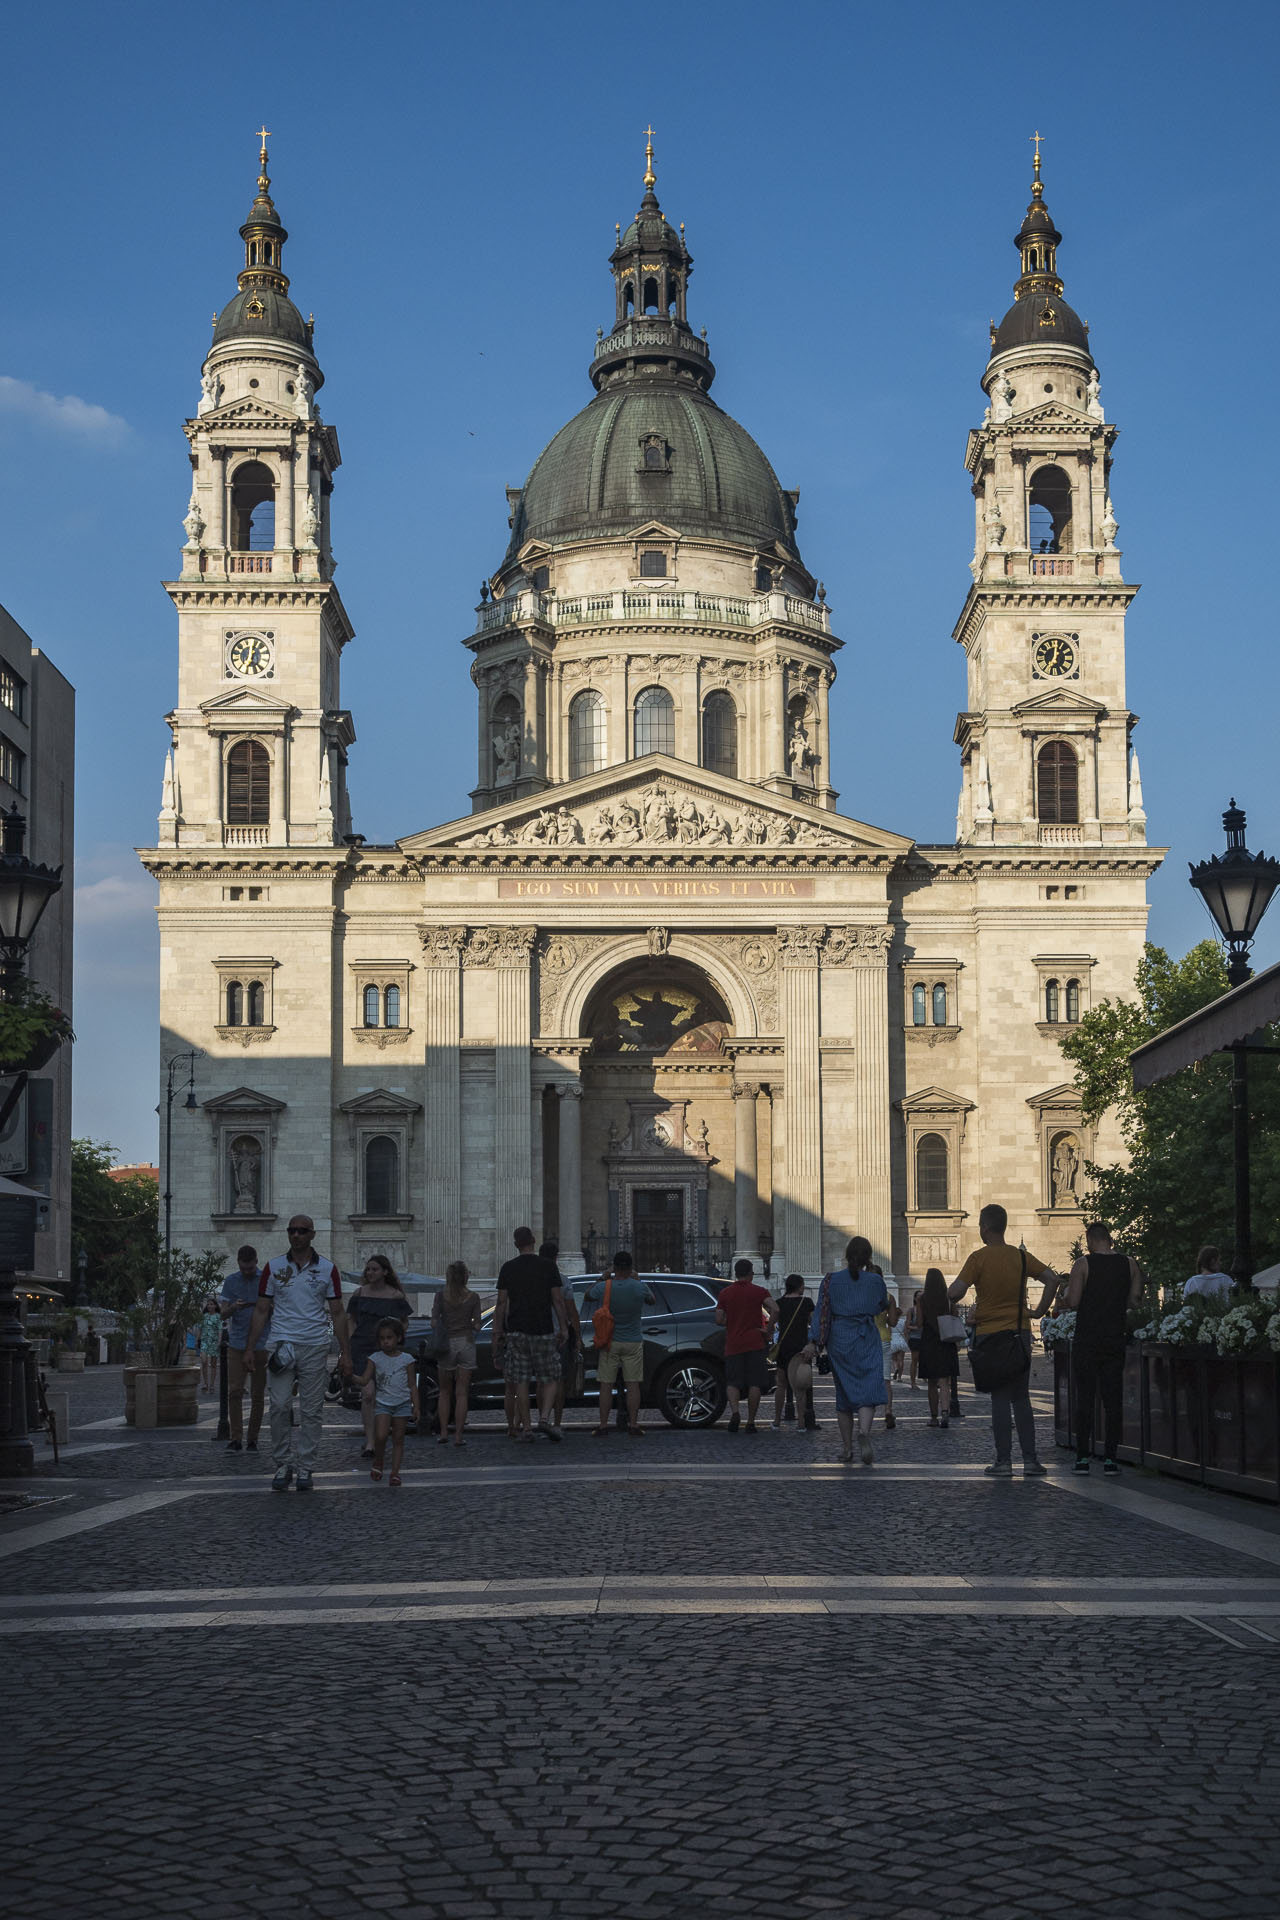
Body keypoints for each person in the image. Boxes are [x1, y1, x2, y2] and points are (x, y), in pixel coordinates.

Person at [242, 1214, 352, 1492]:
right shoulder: (273, 1266)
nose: (297, 1235)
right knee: (279, 1407)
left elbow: (338, 1312)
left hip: (314, 1345)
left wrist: (346, 1352)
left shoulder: (328, 1268)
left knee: (312, 1410)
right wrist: (249, 1347)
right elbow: (261, 1309)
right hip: (281, 1345)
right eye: (292, 1231)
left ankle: (305, 1466)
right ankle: (282, 1462)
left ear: (312, 1235)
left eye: (302, 1231)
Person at [948, 1204, 1059, 1478]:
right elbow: (1053, 1279)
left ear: (984, 1227)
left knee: (999, 1398)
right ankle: (1031, 1461)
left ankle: (1004, 1461)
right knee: (1021, 1398)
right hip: (1019, 1334)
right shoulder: (1021, 1257)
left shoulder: (978, 1258)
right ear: (1004, 1226)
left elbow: (955, 1293)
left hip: (990, 1336)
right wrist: (1039, 1311)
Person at [1065, 1223, 1144, 1476]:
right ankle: (1111, 1458)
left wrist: (1066, 1293)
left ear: (1090, 1240)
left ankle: (1082, 1458)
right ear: (1110, 1239)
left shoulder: (1083, 1264)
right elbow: (1134, 1300)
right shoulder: (1129, 1263)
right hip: (1114, 1338)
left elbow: (1074, 1301)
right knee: (1113, 1400)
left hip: (1087, 1339)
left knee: (1085, 1399)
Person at [801, 1236, 887, 1465]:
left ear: (847, 1255)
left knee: (844, 1393)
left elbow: (821, 1312)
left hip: (840, 1339)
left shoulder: (830, 1280)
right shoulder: (875, 1280)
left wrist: (814, 1341)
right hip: (867, 1336)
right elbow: (881, 1305)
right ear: (869, 1257)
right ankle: (865, 1433)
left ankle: (847, 1448)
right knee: (868, 1387)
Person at [491, 1226, 567, 1443]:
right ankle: (544, 1418)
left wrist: (497, 1331)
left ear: (516, 1244)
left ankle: (526, 1429)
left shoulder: (508, 1268)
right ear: (533, 1241)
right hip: (542, 1329)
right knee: (551, 1377)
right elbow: (558, 1300)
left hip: (517, 1331)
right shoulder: (547, 1267)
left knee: (521, 1381)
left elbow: (501, 1303)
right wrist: (562, 1327)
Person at [346, 1256, 412, 1458]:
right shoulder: (359, 1293)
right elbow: (351, 1319)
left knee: (386, 1394)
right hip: (363, 1348)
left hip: (386, 1350)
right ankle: (370, 1442)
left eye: (374, 1269)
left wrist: (395, 1339)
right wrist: (350, 1343)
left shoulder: (395, 1296)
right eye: (368, 1270)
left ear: (385, 1272)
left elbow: (404, 1322)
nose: (370, 1273)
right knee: (367, 1394)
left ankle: (383, 1434)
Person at [584, 1250, 655, 1437]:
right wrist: (637, 1279)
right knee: (633, 1385)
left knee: (606, 1384)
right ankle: (633, 1424)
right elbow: (652, 1299)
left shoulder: (606, 1286)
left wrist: (602, 1277)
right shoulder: (639, 1286)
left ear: (614, 1268)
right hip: (632, 1341)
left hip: (610, 1342)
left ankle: (603, 1425)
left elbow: (588, 1295)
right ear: (631, 1268)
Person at [352, 1317, 420, 1486]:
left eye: (389, 1338)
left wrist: (416, 1406)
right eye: (382, 1338)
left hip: (402, 1403)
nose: (386, 1342)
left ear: (398, 1338)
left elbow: (412, 1384)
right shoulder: (375, 1358)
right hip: (383, 1403)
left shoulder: (407, 1359)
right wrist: (350, 1376)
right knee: (381, 1435)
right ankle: (379, 1459)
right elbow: (365, 1379)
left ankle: (395, 1473)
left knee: (398, 1439)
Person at [716, 1257, 777, 1433]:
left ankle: (735, 1412)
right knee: (754, 1383)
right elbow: (776, 1309)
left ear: (736, 1273)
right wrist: (769, 1329)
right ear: (751, 1274)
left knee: (733, 1382)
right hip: (755, 1343)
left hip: (734, 1343)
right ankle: (751, 1422)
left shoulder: (725, 1293)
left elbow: (718, 1319)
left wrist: (731, 1321)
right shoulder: (759, 1291)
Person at [218, 1244, 266, 1451]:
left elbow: (275, 1308)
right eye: (244, 1268)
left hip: (261, 1344)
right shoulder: (230, 1281)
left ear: (256, 1262)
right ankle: (236, 1437)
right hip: (236, 1344)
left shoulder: (266, 1280)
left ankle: (253, 1438)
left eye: (250, 1268)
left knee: (257, 1394)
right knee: (235, 1391)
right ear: (238, 1263)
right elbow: (222, 1314)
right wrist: (234, 1307)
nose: (247, 1272)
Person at [431, 1261, 482, 1447]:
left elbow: (434, 1322)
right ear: (465, 1277)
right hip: (466, 1343)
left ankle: (443, 1432)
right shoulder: (473, 1297)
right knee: (462, 1393)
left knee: (444, 1392)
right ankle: (458, 1436)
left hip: (447, 1344)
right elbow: (477, 1324)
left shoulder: (440, 1296)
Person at [541, 1241, 582, 1432]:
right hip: (559, 1336)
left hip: (539, 1334)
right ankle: (556, 1422)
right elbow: (572, 1312)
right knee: (558, 1381)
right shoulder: (563, 1281)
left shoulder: (534, 1281)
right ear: (556, 1258)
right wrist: (577, 1336)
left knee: (542, 1380)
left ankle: (543, 1420)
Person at [770, 1274, 818, 1431]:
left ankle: (777, 1420)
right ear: (799, 1286)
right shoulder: (806, 1302)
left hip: (783, 1347)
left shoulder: (779, 1303)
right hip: (800, 1348)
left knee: (781, 1384)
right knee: (801, 1386)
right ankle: (801, 1423)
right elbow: (814, 1324)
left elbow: (775, 1323)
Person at [918, 1267, 959, 1429]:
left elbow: (920, 1323)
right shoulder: (948, 1299)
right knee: (944, 1382)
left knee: (931, 1383)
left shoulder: (922, 1299)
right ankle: (945, 1413)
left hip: (929, 1341)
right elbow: (955, 1316)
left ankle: (934, 1417)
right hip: (946, 1341)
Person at [198, 1298, 221, 1393]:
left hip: (214, 1341)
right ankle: (205, 1383)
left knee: (214, 1364)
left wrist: (219, 1342)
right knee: (204, 1361)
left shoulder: (218, 1316)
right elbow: (200, 1328)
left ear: (215, 1306)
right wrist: (197, 1340)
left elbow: (220, 1330)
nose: (209, 1306)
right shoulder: (204, 1316)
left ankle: (211, 1385)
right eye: (208, 1304)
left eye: (211, 1304)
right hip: (204, 1341)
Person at [905, 1290, 923, 1388]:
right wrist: (916, 1327)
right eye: (919, 1296)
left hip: (925, 1338)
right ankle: (913, 1382)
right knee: (915, 1360)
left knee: (925, 1359)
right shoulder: (911, 1310)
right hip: (915, 1338)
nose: (920, 1298)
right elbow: (907, 1325)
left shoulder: (927, 1308)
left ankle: (928, 1378)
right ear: (915, 1298)